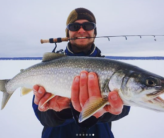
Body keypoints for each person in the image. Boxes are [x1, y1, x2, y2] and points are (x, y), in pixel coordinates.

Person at [32, 8, 131, 138]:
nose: (81, 30)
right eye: (74, 26)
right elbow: (43, 117)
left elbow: (125, 107)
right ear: (68, 32)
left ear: (94, 32)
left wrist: (100, 113)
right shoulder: (51, 67)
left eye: (88, 25)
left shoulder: (111, 69)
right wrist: (62, 113)